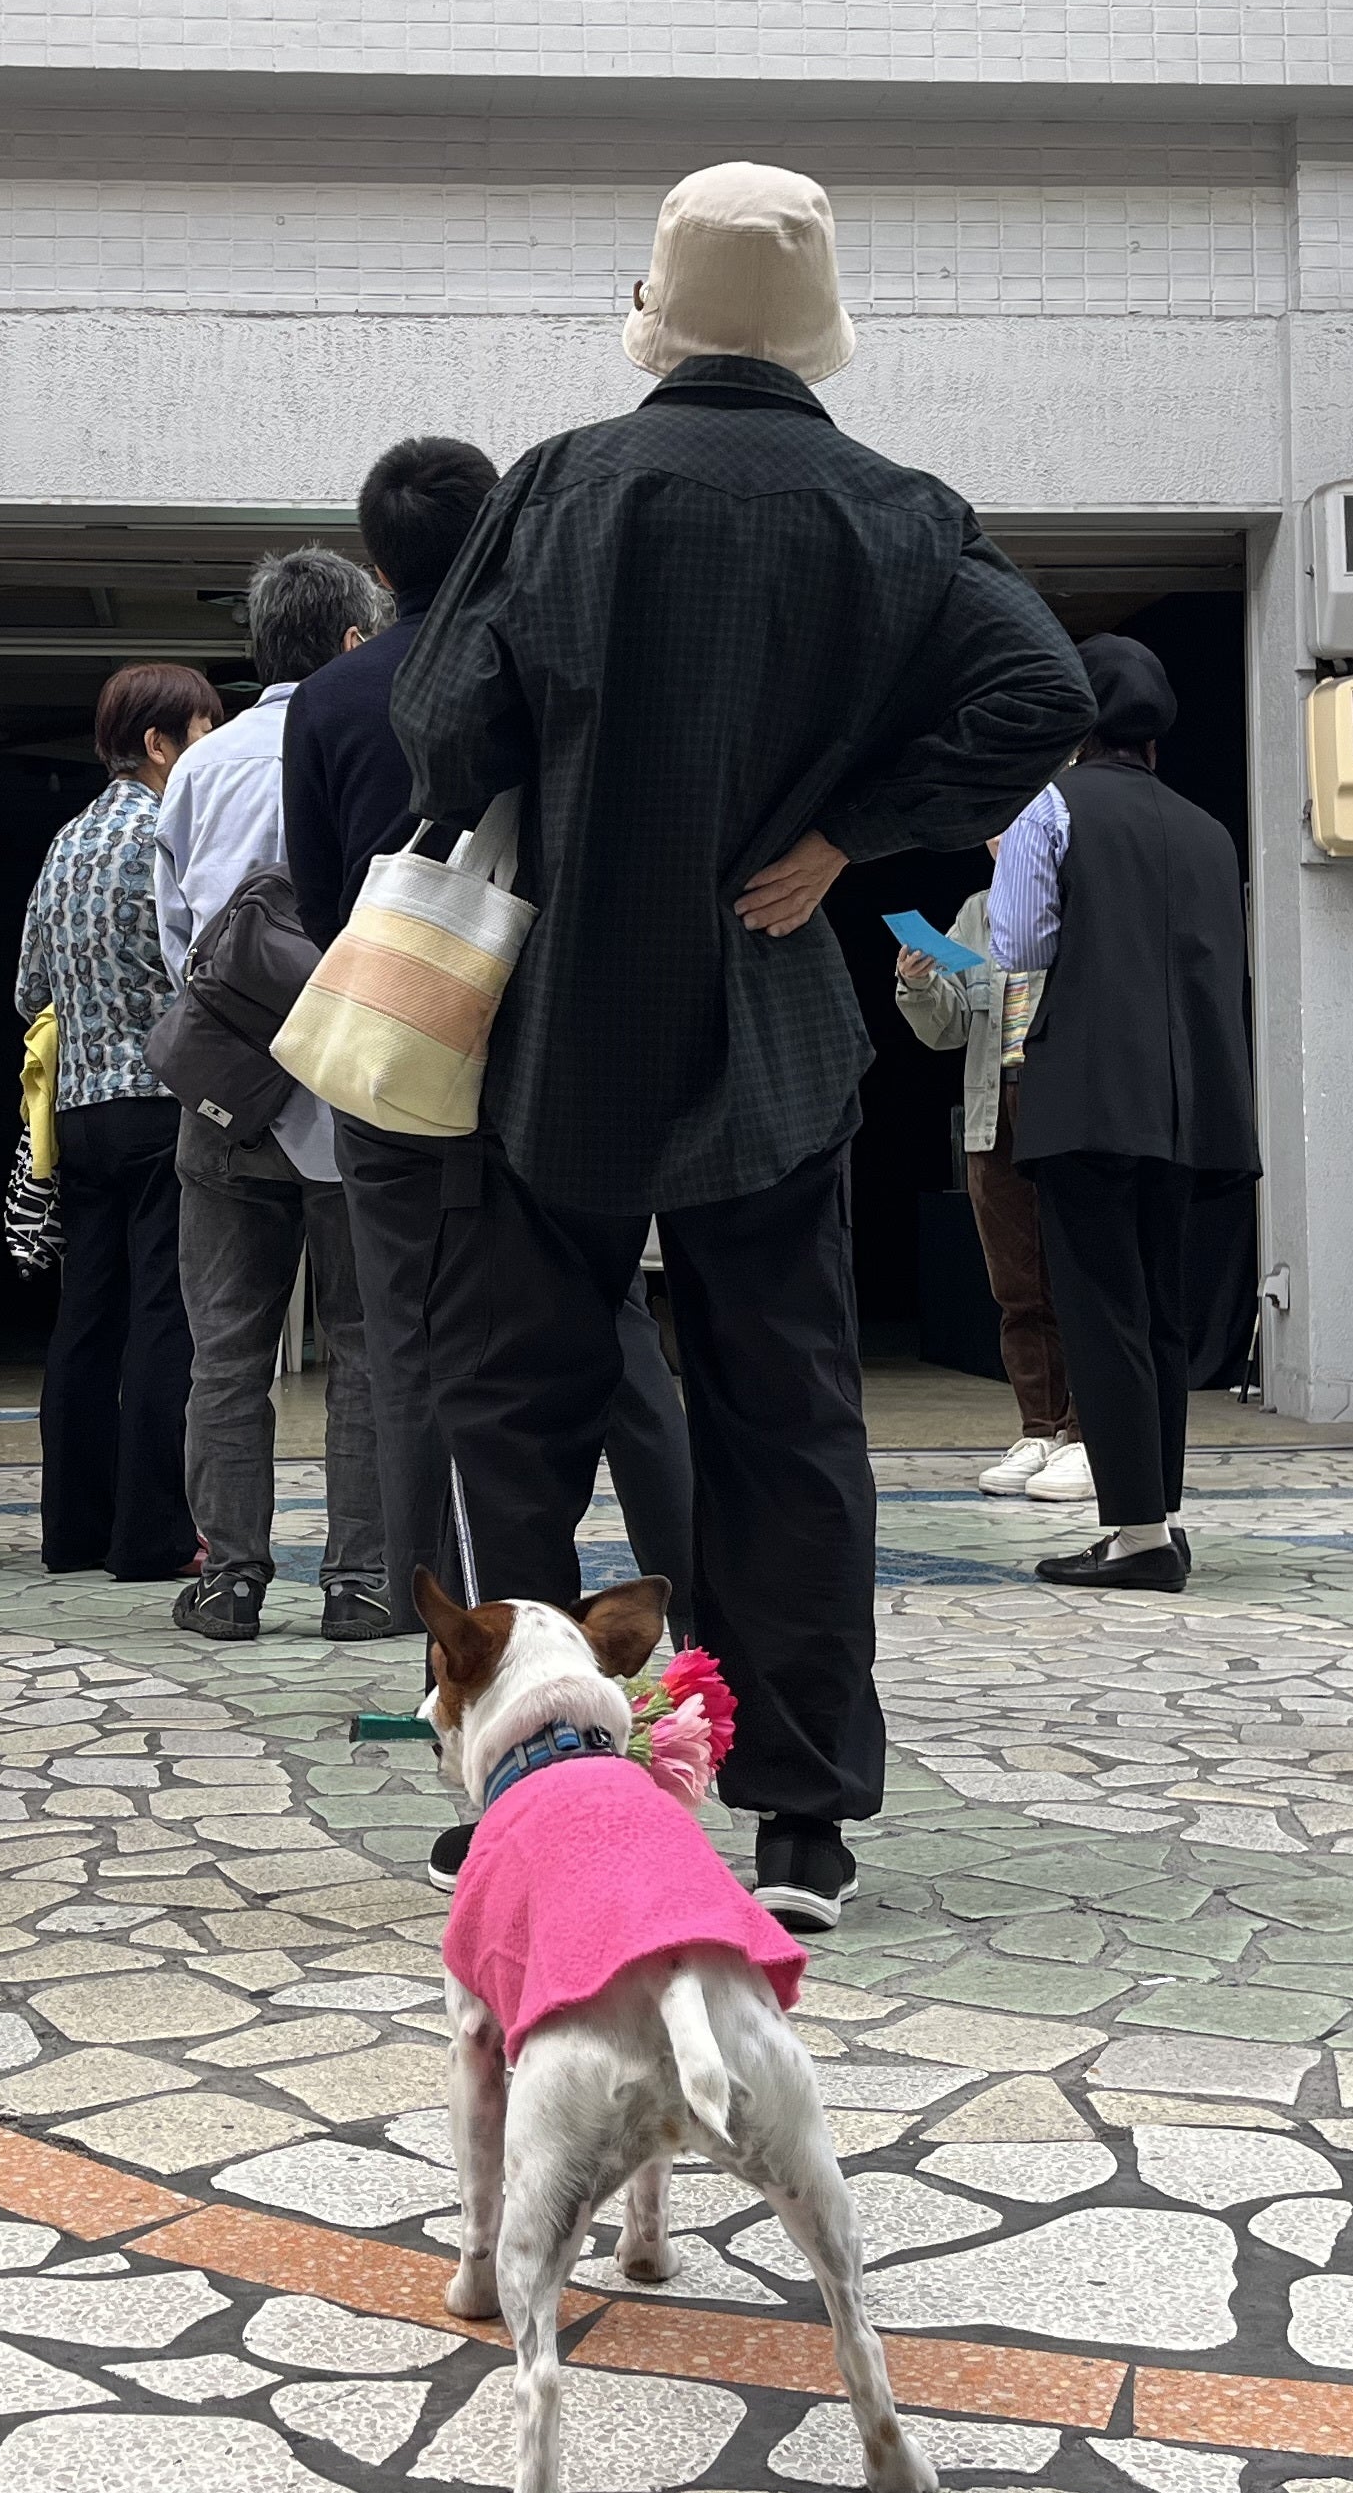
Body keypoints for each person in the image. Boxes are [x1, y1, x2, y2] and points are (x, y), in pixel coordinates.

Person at [394, 160, 1091, 1927]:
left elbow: (443, 718)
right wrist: (851, 830)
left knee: (514, 1413)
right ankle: (800, 1820)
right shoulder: (901, 512)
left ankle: (528, 1791)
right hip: (772, 1017)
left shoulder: (558, 484)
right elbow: (1045, 689)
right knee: (787, 1420)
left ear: (662, 309)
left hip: (559, 1019)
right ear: (815, 325)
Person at [284, 440, 699, 1644]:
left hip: (404, 1056)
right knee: (614, 1330)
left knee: (417, 1350)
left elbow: (320, 897)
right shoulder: (564, 674)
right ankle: (695, 1598)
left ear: (377, 568)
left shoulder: (333, 699)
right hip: (556, 1055)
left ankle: (456, 1642)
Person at [988, 637, 1256, 1592]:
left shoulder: (1049, 807)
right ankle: (1159, 1519)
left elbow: (1019, 944)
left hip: (1088, 1091)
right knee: (1161, 1316)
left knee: (1099, 1311)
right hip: (1192, 1103)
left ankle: (1138, 1537)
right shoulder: (1209, 828)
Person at [158, 548, 390, 1644]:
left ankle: (231, 1581)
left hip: (227, 1098)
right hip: (359, 1092)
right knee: (366, 1349)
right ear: (355, 638)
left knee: (226, 1354)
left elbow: (181, 943)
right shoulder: (381, 741)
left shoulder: (203, 766)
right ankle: (361, 1581)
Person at [19, 661, 222, 1579]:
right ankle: (151, 1536)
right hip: (162, 1103)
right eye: (203, 729)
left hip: (78, 1109)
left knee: (85, 1319)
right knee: (163, 1317)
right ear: (159, 743)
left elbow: (29, 986)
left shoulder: (65, 841)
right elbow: (204, 968)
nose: (210, 745)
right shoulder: (172, 832)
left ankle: (74, 1529)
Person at [893, 831, 1078, 1508]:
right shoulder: (978, 911)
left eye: (1014, 826)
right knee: (1017, 1285)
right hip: (991, 1107)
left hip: (1067, 1104)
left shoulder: (1082, 899)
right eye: (993, 830)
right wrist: (918, 982)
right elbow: (948, 1027)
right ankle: (1041, 1429)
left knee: (1081, 1275)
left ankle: (1088, 1433)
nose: (999, 840)